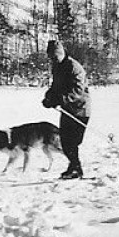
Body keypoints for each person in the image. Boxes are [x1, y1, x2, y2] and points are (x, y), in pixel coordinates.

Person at [42, 39, 91, 179]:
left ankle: (75, 167)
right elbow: (55, 86)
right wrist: (49, 97)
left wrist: (60, 100)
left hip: (80, 109)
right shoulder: (57, 67)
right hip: (67, 109)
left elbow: (78, 91)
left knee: (73, 141)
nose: (53, 60)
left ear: (61, 53)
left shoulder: (74, 67)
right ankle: (74, 168)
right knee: (65, 140)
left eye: (55, 56)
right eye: (51, 57)